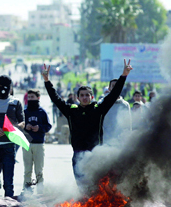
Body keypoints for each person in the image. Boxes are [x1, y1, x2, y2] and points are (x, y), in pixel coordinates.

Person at [42, 59, 133, 191]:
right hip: (78, 155)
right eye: (82, 95)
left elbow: (113, 94)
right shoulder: (71, 110)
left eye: (87, 95)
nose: (85, 97)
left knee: (97, 188)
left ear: (92, 97)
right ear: (78, 98)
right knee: (82, 189)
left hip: (95, 155)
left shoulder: (99, 109)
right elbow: (56, 99)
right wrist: (46, 81)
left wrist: (124, 75)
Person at [22, 89, 51, 194]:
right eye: (29, 97)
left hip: (39, 143)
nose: (30, 99)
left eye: (32, 97)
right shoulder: (24, 112)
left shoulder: (42, 112)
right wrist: (26, 126)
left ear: (38, 98)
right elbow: (19, 126)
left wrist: (39, 127)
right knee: (27, 169)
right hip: (26, 143)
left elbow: (48, 126)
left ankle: (40, 191)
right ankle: (27, 190)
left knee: (39, 170)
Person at [98, 79, 131, 145]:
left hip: (120, 141)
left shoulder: (125, 105)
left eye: (118, 86)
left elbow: (128, 125)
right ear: (109, 88)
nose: (116, 88)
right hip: (106, 140)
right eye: (113, 86)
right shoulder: (102, 102)